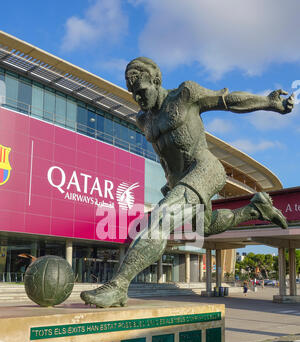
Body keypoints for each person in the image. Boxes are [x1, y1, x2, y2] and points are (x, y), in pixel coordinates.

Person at [80, 57, 293, 308]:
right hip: (181, 181)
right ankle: (254, 209)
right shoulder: (144, 120)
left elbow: (228, 100)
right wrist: (171, 185)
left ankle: (118, 286)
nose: (138, 98)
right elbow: (164, 155)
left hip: (205, 169)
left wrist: (268, 102)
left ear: (156, 81)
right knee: (207, 228)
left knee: (159, 219)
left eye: (142, 91)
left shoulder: (185, 95)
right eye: (134, 94)